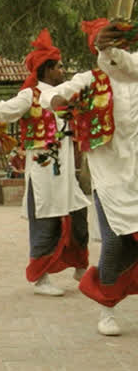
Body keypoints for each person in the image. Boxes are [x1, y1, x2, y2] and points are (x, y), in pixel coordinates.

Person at [41, 19, 138, 335]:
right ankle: (106, 309)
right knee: (114, 242)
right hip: (108, 178)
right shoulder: (88, 80)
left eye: (120, 41)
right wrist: (59, 103)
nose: (117, 49)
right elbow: (54, 97)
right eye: (109, 43)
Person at [0, 28, 89, 296]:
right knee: (45, 217)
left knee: (78, 212)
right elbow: (5, 111)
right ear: (46, 70)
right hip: (44, 170)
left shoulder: (64, 95)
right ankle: (40, 278)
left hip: (66, 169)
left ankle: (80, 265)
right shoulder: (30, 95)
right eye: (58, 67)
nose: (62, 71)